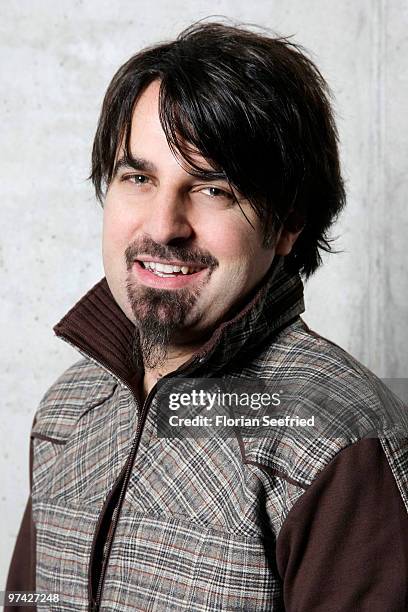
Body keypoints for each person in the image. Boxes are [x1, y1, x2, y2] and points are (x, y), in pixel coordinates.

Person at [6, 20, 408, 611]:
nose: (164, 225)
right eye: (138, 178)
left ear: (288, 222)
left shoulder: (339, 444)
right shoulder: (67, 411)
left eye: (213, 188)